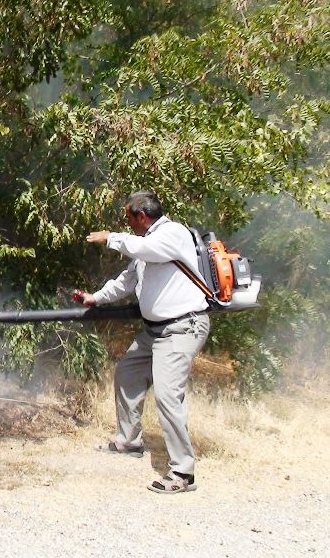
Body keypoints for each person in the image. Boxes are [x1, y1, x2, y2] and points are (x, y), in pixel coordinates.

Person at [75, 190, 210, 494]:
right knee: (128, 374)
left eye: (129, 219)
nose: (128, 224)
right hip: (156, 331)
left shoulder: (172, 233)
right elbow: (126, 280)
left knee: (167, 396)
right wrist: (94, 298)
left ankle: (182, 473)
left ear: (141, 216)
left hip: (182, 327)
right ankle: (128, 443)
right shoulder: (147, 247)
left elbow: (143, 248)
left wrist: (111, 237)